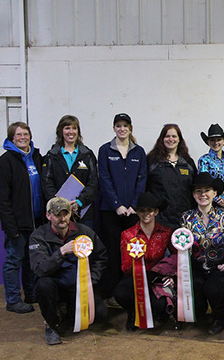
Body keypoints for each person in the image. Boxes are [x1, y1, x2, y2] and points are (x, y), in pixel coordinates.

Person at [29, 197, 107, 345]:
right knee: (42, 285)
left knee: (101, 313)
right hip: (54, 284)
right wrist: (61, 252)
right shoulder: (38, 236)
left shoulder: (84, 232)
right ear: (48, 215)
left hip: (78, 287)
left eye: (65, 213)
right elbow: (40, 268)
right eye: (57, 214)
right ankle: (52, 325)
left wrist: (91, 280)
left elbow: (101, 256)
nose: (62, 218)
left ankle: (68, 314)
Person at [0, 122, 44, 314]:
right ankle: (13, 300)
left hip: (36, 220)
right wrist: (10, 226)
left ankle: (31, 294)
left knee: (32, 260)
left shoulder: (37, 158)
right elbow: (2, 200)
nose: (23, 137)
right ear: (12, 138)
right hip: (17, 223)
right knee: (14, 260)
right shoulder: (5, 163)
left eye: (26, 134)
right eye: (18, 134)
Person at [98, 113, 147, 300]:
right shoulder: (105, 150)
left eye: (125, 125)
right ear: (113, 128)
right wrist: (117, 205)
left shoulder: (139, 152)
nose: (122, 129)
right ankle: (111, 293)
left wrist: (134, 205)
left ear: (130, 128)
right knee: (112, 251)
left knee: (132, 252)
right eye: (118, 125)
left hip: (133, 212)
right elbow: (104, 178)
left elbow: (142, 179)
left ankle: (131, 292)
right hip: (110, 211)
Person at [180, 172, 224, 335]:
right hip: (196, 268)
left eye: (207, 190)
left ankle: (219, 317)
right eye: (198, 190)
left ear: (215, 193)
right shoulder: (186, 218)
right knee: (195, 286)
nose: (202, 194)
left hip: (219, 268)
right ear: (193, 194)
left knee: (215, 288)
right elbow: (182, 247)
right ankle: (199, 314)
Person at [114, 192, 176, 332]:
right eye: (142, 210)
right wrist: (137, 262)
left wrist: (169, 274)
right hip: (134, 276)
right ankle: (132, 314)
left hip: (158, 277)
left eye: (150, 210)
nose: (146, 214)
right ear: (137, 212)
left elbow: (176, 256)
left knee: (160, 305)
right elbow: (125, 267)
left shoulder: (166, 232)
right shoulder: (128, 234)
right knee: (121, 293)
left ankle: (158, 312)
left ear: (156, 211)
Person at [42, 115, 98, 228]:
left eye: (74, 128)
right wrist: (59, 204)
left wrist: (80, 202)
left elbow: (93, 182)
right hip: (59, 213)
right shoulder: (52, 155)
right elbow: (47, 182)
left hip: (83, 212)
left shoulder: (87, 154)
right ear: (61, 131)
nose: (71, 132)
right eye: (67, 128)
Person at [147, 124, 197, 230]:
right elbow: (145, 188)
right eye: (167, 136)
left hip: (184, 219)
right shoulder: (152, 161)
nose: (171, 139)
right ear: (162, 139)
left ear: (179, 139)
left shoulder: (188, 162)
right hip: (159, 220)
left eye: (174, 136)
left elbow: (195, 188)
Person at [198, 124, 224, 211]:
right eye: (212, 140)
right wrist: (219, 200)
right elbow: (204, 184)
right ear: (208, 142)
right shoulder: (204, 160)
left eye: (219, 140)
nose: (216, 143)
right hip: (211, 203)